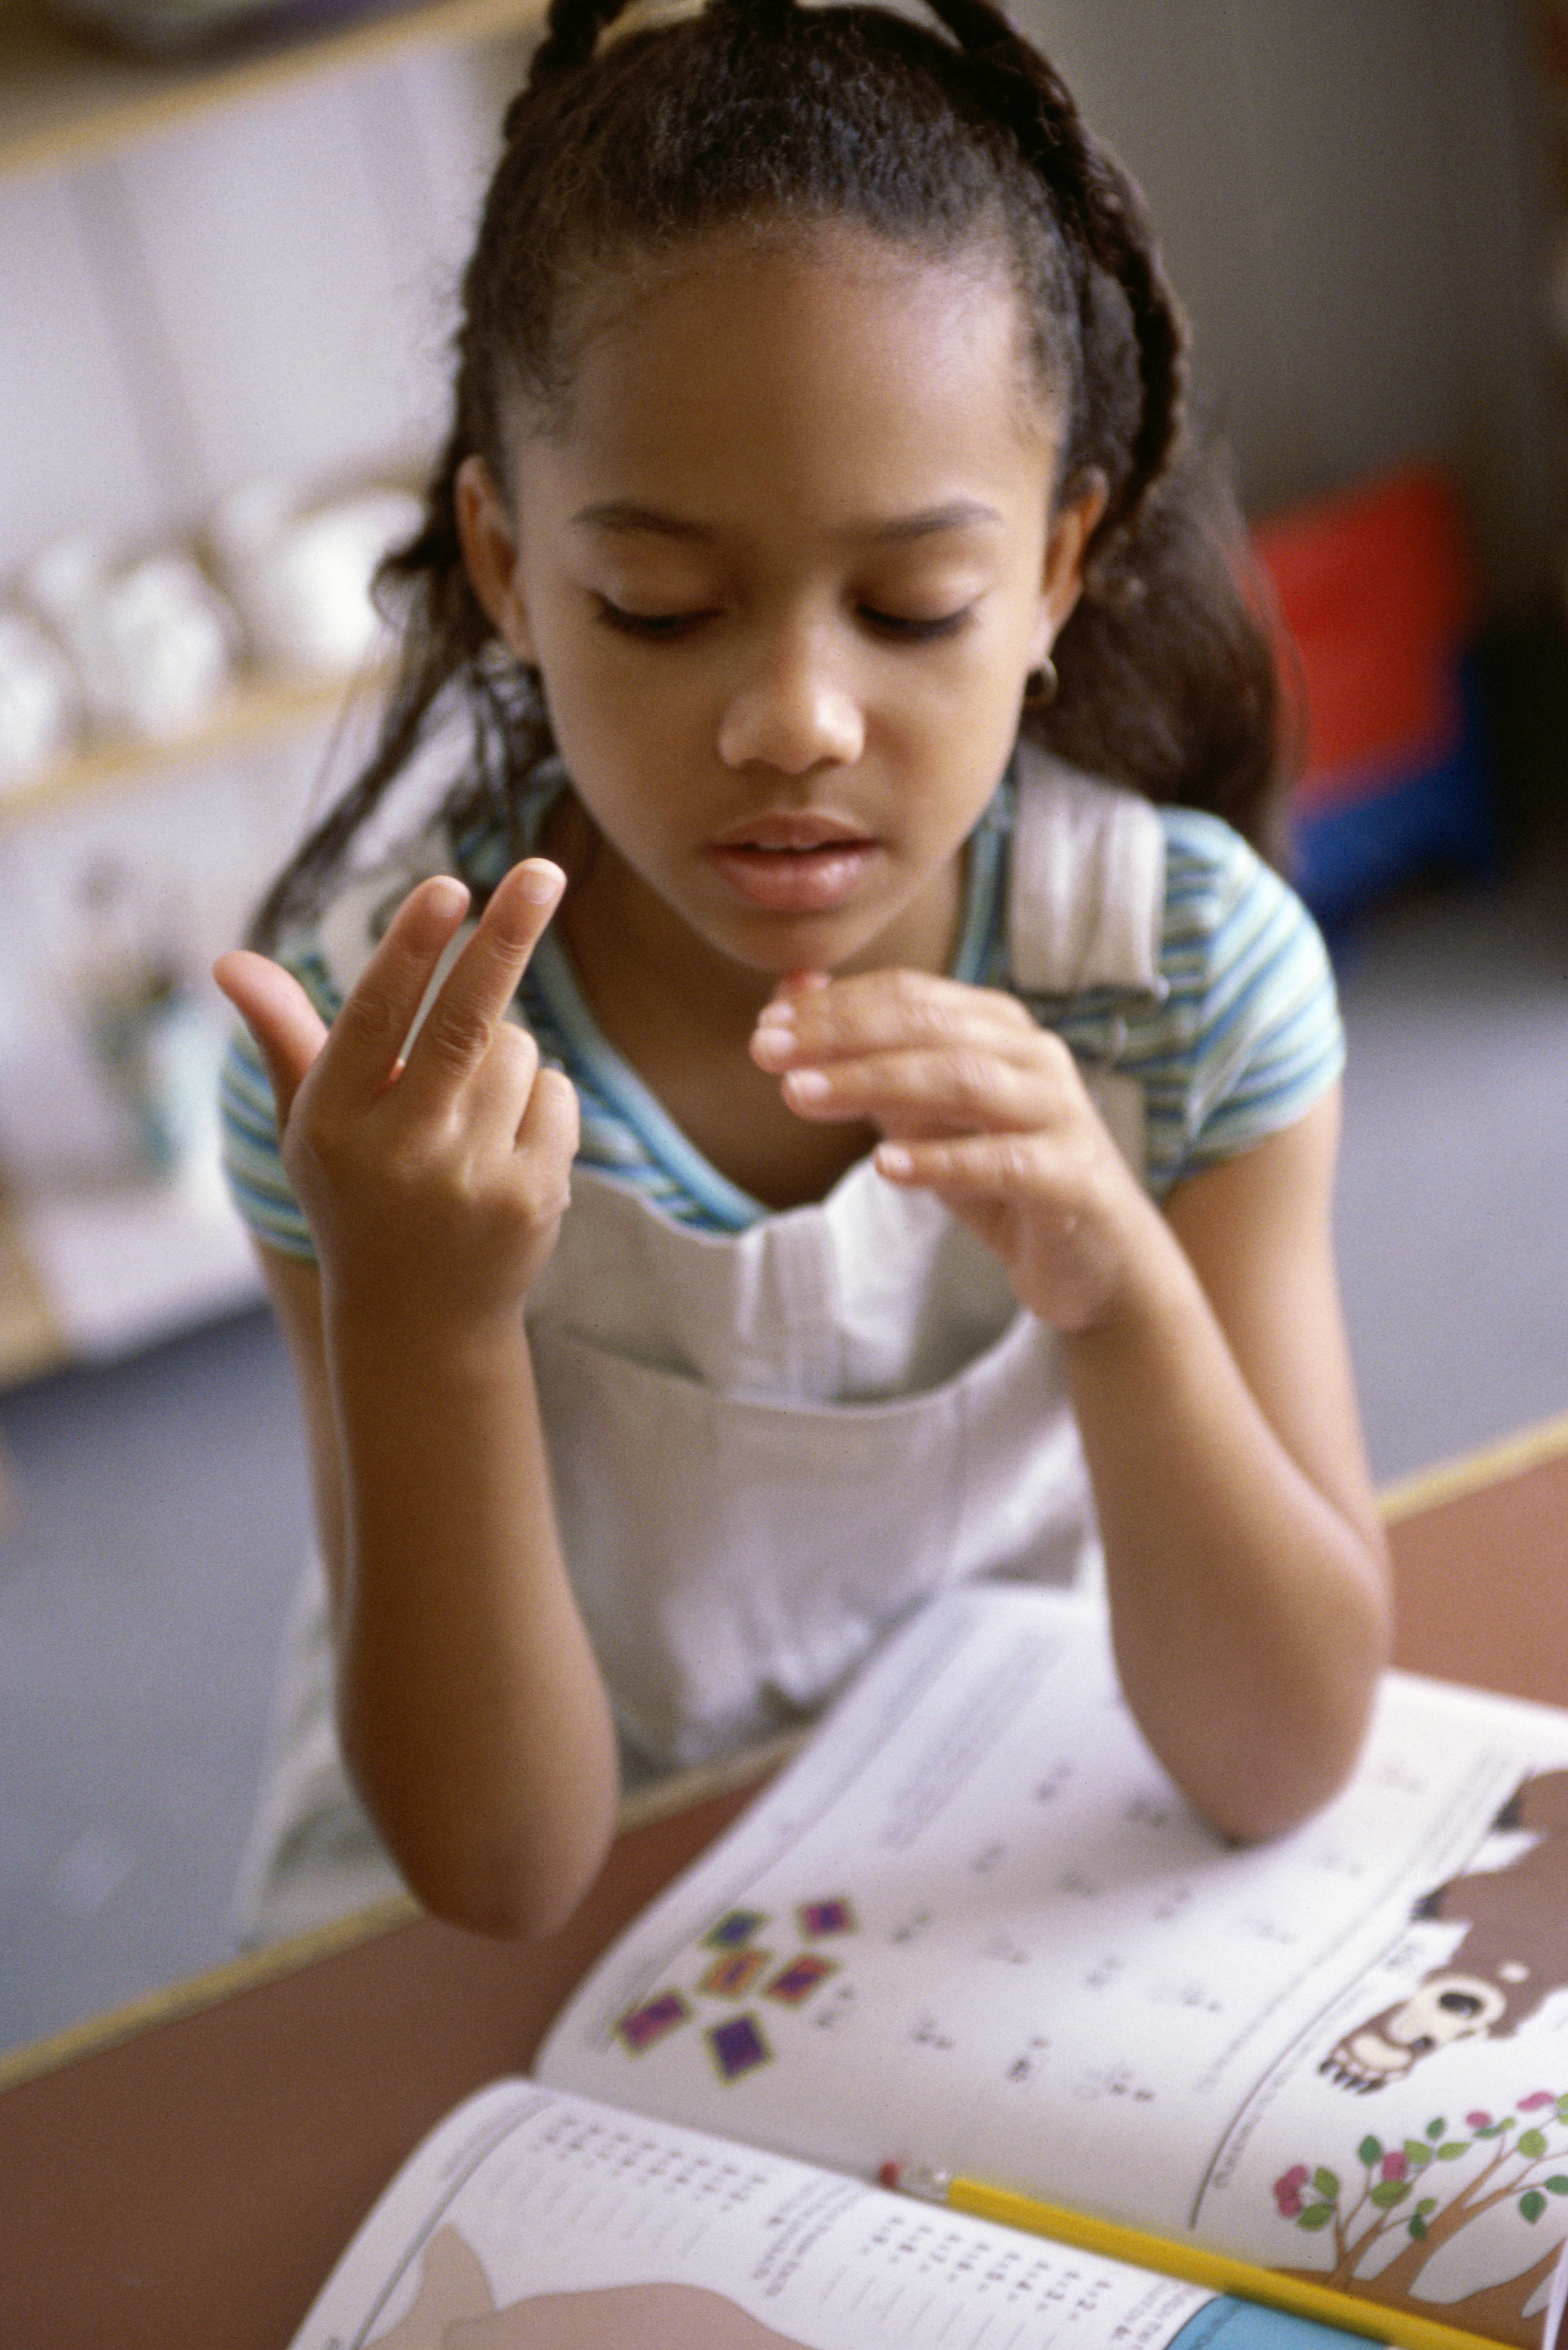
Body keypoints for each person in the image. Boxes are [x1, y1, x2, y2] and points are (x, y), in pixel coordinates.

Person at [215, 0, 1391, 1946]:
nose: (792, 719)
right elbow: (497, 1871)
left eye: (913, 604)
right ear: (505, 566)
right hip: (573, 1924)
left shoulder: (1182, 984)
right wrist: (416, 1324)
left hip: (988, 1866)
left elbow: (1280, 1753)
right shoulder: (382, 1069)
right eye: (659, 608)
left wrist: (1118, 1289)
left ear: (1053, 570)